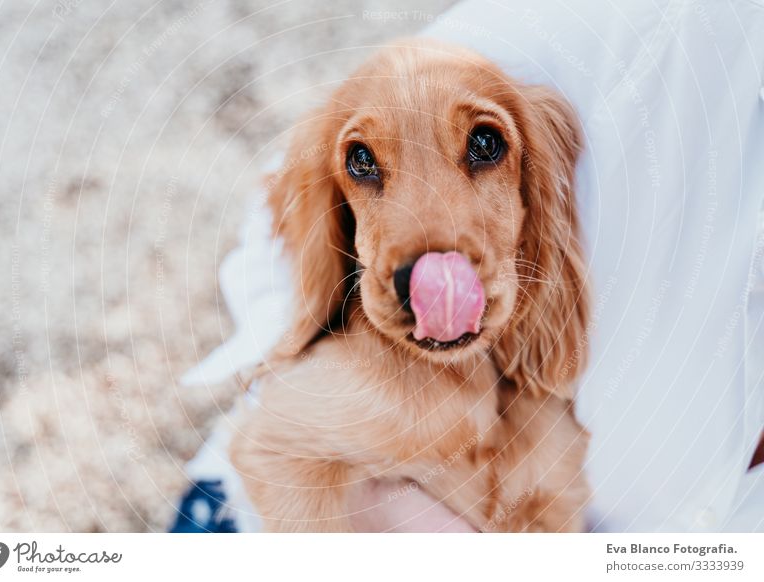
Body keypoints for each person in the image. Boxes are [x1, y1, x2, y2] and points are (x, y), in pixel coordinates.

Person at [177, 0, 764, 532]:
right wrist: (394, 517)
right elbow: (274, 230)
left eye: (483, 147)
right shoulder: (654, 28)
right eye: (363, 163)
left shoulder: (548, 429)